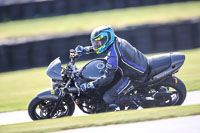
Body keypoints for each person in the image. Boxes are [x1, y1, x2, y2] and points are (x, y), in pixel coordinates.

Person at [81, 25, 149, 109]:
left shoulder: (114, 54)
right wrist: (86, 50)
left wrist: (91, 84)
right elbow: (101, 47)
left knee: (108, 97)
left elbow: (108, 77)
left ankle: (136, 100)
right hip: (140, 66)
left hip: (136, 77)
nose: (97, 45)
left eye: (98, 42)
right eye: (95, 43)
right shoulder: (116, 40)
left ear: (106, 39)